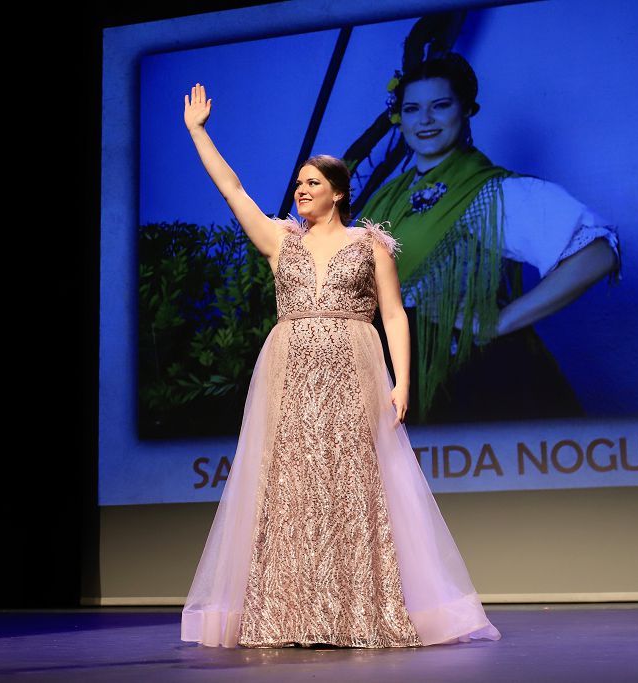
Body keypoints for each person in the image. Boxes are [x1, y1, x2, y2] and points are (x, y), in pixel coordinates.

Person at [179, 83, 500, 649]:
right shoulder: (280, 241)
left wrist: (403, 381)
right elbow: (232, 191)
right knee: (292, 487)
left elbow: (395, 316)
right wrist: (198, 132)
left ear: (338, 193)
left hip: (354, 370)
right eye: (299, 183)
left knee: (353, 487)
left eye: (312, 183)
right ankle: (288, 615)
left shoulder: (370, 243)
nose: (301, 190)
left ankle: (357, 612)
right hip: (293, 372)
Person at [349, 53, 622, 424]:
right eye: (412, 109)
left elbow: (598, 254)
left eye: (440, 105)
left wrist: (502, 320)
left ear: (466, 110)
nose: (425, 119)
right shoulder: (386, 198)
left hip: (467, 379)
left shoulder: (493, 193)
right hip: (393, 378)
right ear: (400, 118)